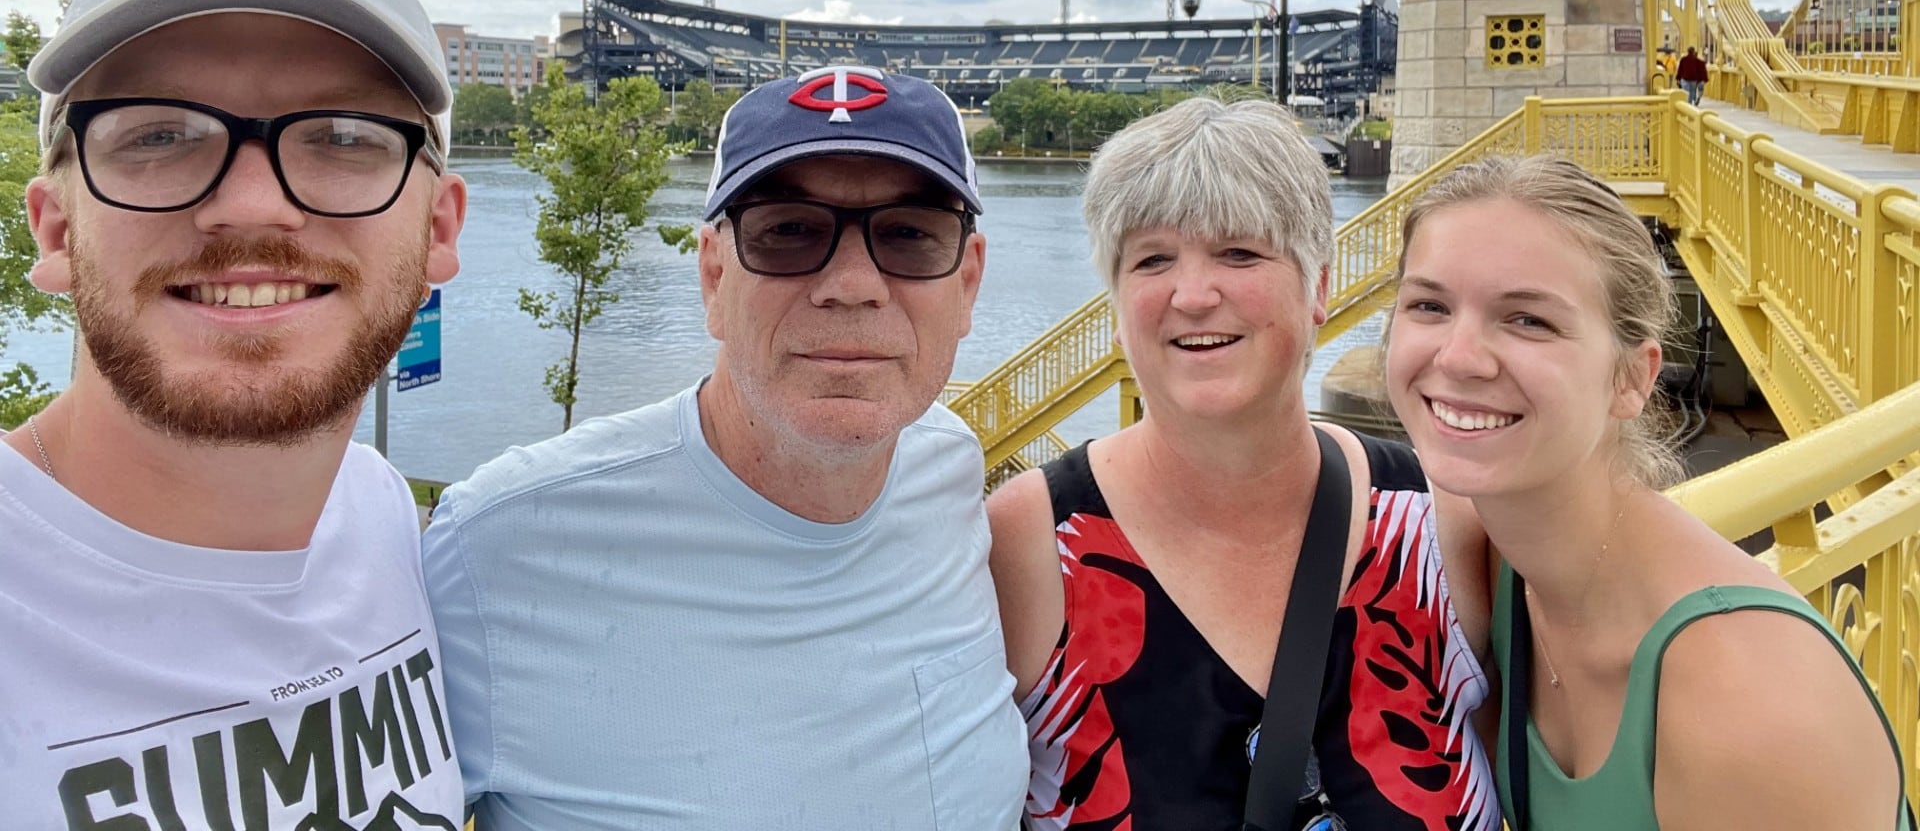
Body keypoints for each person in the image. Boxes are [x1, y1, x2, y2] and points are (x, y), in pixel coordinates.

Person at [421, 66, 1028, 829]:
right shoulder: (496, 547)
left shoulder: (950, 467)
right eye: (789, 232)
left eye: (909, 236)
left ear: (968, 284)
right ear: (713, 275)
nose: (852, 284)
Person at [3, 0, 470, 828]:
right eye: (159, 134)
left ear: (439, 233)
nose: (251, 205)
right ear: (55, 228)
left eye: (342, 137)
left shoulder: (376, 511)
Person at [988, 96, 1499, 830]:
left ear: (1319, 287)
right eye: (1152, 259)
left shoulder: (1445, 526)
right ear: (1116, 303)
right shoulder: (1026, 546)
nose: (1194, 295)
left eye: (1239, 253)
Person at [1384, 155, 1908, 830]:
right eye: (1429, 305)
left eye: (1528, 321)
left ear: (1632, 378)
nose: (1457, 357)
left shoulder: (1746, 700)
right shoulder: (1491, 554)